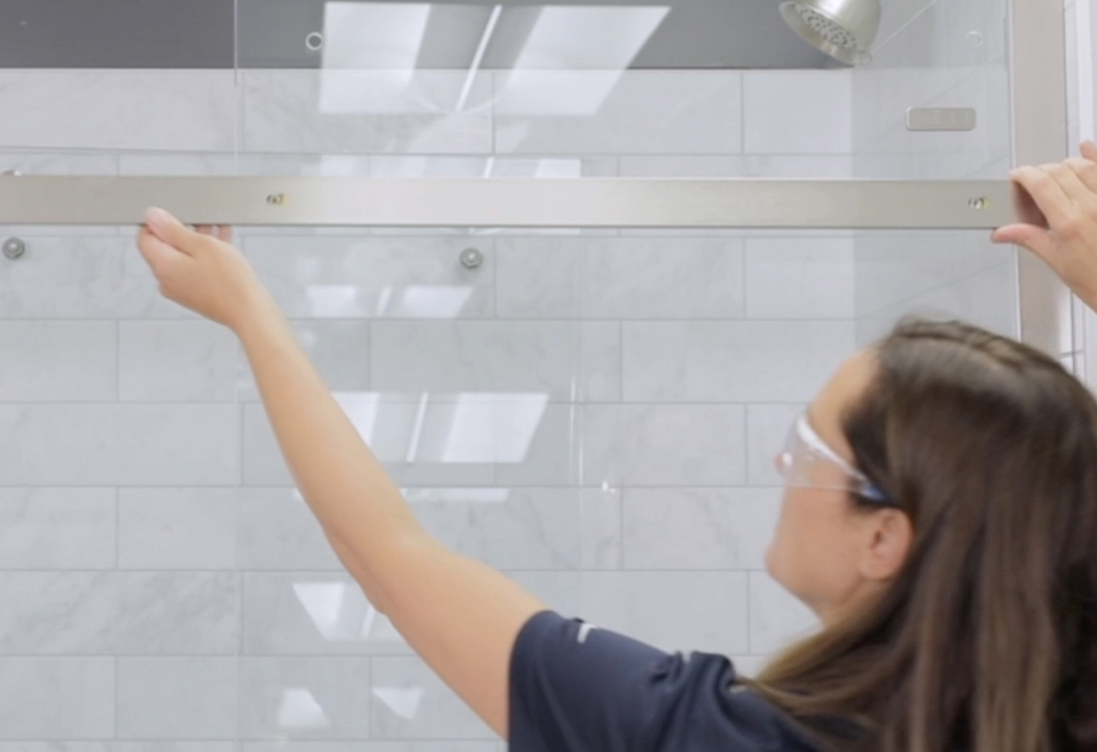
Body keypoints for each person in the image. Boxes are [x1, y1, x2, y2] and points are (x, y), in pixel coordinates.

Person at [134, 142, 1097, 752]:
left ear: (886, 540)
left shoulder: (696, 734)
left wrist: (248, 313)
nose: (779, 466)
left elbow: (392, 557)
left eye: (807, 448)